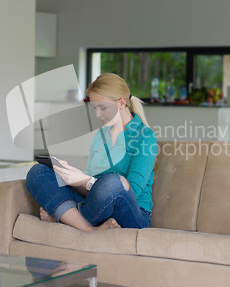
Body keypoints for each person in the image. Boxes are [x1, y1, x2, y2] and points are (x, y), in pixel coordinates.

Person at [26, 73, 158, 231]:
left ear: (122, 102)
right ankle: (90, 228)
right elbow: (92, 192)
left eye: (103, 108)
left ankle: (65, 216)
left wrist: (84, 180)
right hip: (96, 208)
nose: (97, 114)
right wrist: (72, 178)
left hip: (131, 215)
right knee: (38, 172)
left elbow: (131, 194)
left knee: (115, 182)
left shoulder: (144, 136)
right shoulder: (100, 136)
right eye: (95, 108)